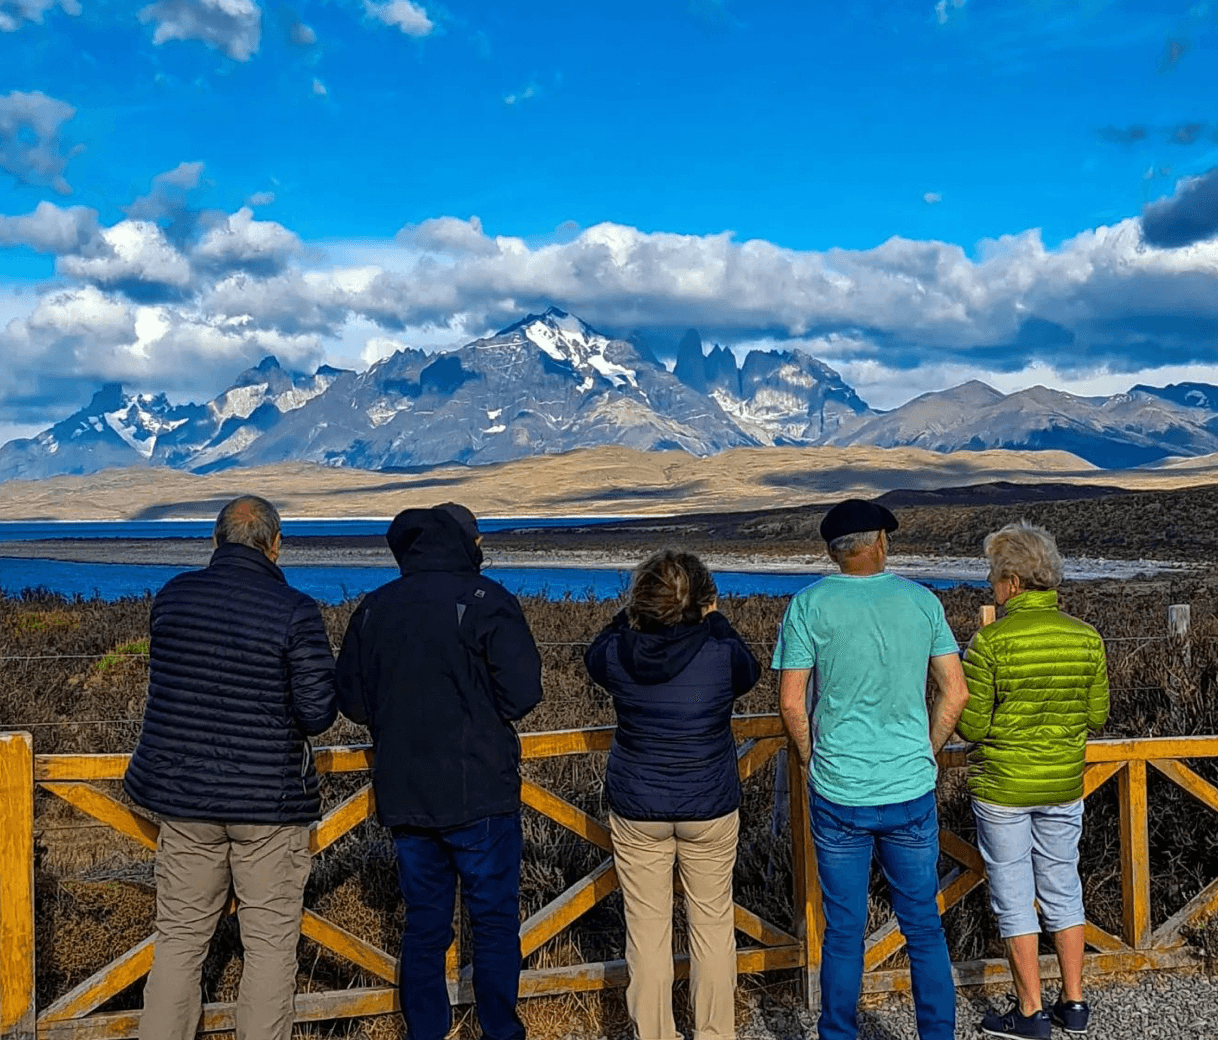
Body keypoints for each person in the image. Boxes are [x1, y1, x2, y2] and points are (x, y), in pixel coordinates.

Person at [124, 495, 337, 1040]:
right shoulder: (295, 610)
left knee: (178, 939)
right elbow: (317, 714)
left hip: (185, 800)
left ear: (216, 540)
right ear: (275, 544)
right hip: (270, 804)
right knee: (268, 948)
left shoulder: (173, 599)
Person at [335, 503, 543, 1040]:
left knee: (424, 926)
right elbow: (523, 694)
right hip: (482, 792)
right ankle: (500, 1030)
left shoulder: (374, 609)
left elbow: (352, 701)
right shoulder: (489, 601)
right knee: (494, 923)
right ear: (463, 542)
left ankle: (426, 1031)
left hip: (405, 794)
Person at [773, 498, 971, 1040]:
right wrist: (926, 753)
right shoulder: (922, 601)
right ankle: (938, 1033)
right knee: (924, 926)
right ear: (880, 542)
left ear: (834, 551)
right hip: (909, 787)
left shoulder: (807, 605)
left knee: (843, 930)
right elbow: (955, 694)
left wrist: (814, 759)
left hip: (839, 790)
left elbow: (791, 702)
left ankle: (839, 1032)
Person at [585, 549, 761, 1040]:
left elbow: (595, 649)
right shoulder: (722, 653)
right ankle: (713, 1032)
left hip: (639, 805)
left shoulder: (617, 654)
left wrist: (630, 615)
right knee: (711, 926)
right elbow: (750, 668)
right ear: (704, 601)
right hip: (709, 803)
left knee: (646, 931)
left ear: (640, 604)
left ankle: (655, 1033)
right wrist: (716, 621)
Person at [958, 521, 1109, 1039]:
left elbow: (972, 725)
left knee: (1013, 893)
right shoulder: (1086, 638)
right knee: (1064, 886)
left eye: (993, 578)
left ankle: (1029, 1011)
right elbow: (1097, 715)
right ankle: (1075, 1002)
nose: (990, 587)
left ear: (1014, 583)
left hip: (1003, 786)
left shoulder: (990, 643)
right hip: (1064, 783)